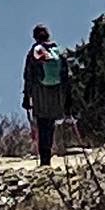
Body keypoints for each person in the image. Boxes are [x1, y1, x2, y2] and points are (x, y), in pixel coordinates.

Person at [22, 23, 72, 167]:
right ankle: (49, 154)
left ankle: (45, 160)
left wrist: (27, 97)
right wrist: (67, 101)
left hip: (39, 94)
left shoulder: (34, 53)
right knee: (50, 125)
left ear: (35, 37)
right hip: (56, 94)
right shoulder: (59, 52)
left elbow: (28, 76)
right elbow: (66, 77)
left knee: (42, 125)